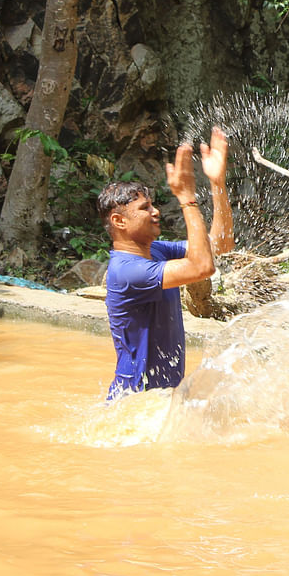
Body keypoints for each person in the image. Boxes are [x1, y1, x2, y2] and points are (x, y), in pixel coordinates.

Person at [97, 127, 235, 400]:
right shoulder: (127, 272)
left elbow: (220, 245)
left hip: (159, 399)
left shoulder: (155, 251)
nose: (155, 211)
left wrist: (217, 184)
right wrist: (187, 199)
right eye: (144, 208)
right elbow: (201, 267)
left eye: (152, 205)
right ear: (119, 221)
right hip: (135, 402)